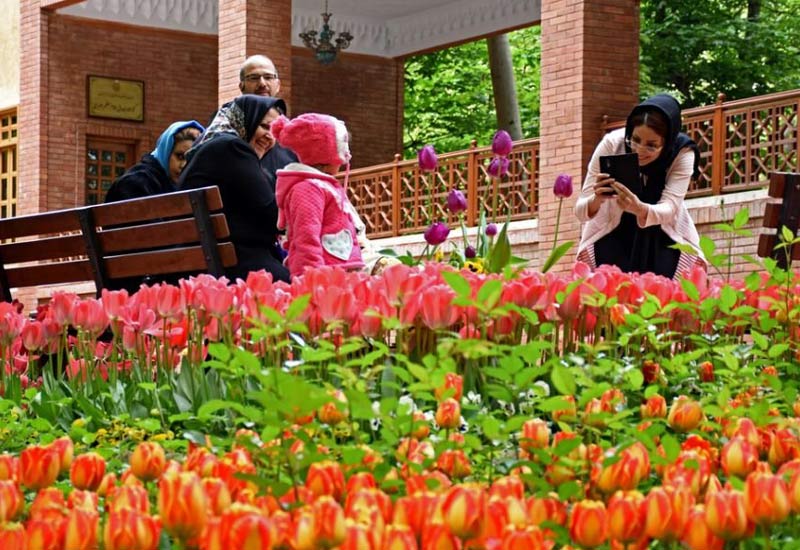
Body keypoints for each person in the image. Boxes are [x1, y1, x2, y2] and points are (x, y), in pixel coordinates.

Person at [575, 94, 705, 279]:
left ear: (667, 142)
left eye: (651, 145)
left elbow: (670, 207)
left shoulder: (682, 152)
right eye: (635, 140)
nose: (640, 150)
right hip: (611, 232)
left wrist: (639, 208)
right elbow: (580, 211)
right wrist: (597, 199)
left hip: (662, 233)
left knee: (662, 297)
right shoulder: (613, 143)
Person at [179, 95, 290, 283]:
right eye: (264, 126)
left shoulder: (208, 148)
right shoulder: (233, 148)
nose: (270, 136)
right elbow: (273, 215)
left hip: (207, 265)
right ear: (246, 120)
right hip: (238, 267)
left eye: (275, 131)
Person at [271, 113, 365, 277]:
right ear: (326, 153)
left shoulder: (324, 186)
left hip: (340, 270)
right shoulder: (307, 189)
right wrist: (312, 277)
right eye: (343, 146)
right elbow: (305, 236)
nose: (346, 157)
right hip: (324, 275)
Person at [104, 120, 204, 203]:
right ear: (166, 151)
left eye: (191, 159)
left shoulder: (185, 187)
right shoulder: (137, 183)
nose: (183, 165)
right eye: (180, 156)